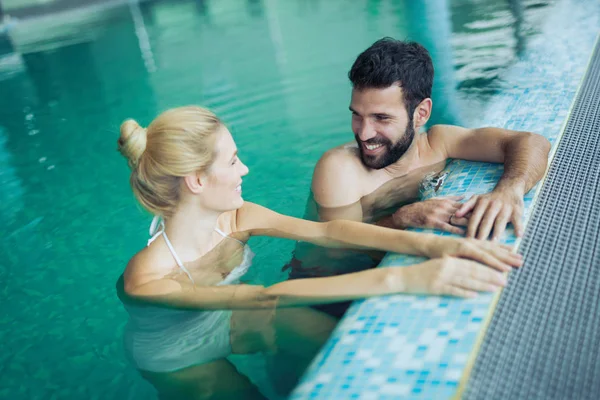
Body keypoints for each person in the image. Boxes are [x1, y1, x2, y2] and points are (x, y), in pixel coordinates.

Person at [115, 106, 522, 399]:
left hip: (228, 314)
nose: (245, 171)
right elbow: (262, 296)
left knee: (349, 352)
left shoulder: (238, 217)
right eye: (234, 161)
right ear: (197, 182)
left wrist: (427, 242)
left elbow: (329, 231)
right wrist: (403, 276)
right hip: (178, 353)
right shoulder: (146, 278)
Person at [285, 38, 550, 317]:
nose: (363, 133)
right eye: (357, 116)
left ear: (420, 113)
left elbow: (532, 142)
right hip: (321, 291)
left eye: (381, 118)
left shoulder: (439, 143)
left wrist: (509, 190)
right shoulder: (339, 169)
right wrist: (401, 218)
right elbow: (341, 249)